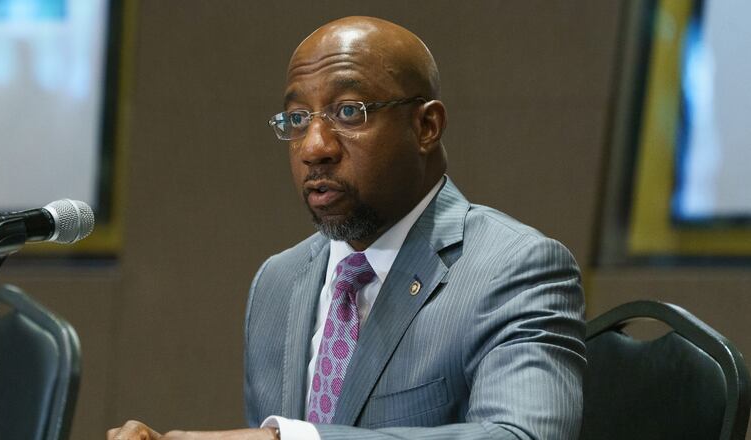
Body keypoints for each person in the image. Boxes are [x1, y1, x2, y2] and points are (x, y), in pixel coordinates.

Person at [108, 16, 585, 440]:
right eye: (297, 119)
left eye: (349, 112)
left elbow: (522, 434)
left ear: (426, 127)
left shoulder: (513, 267)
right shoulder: (277, 283)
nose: (314, 146)